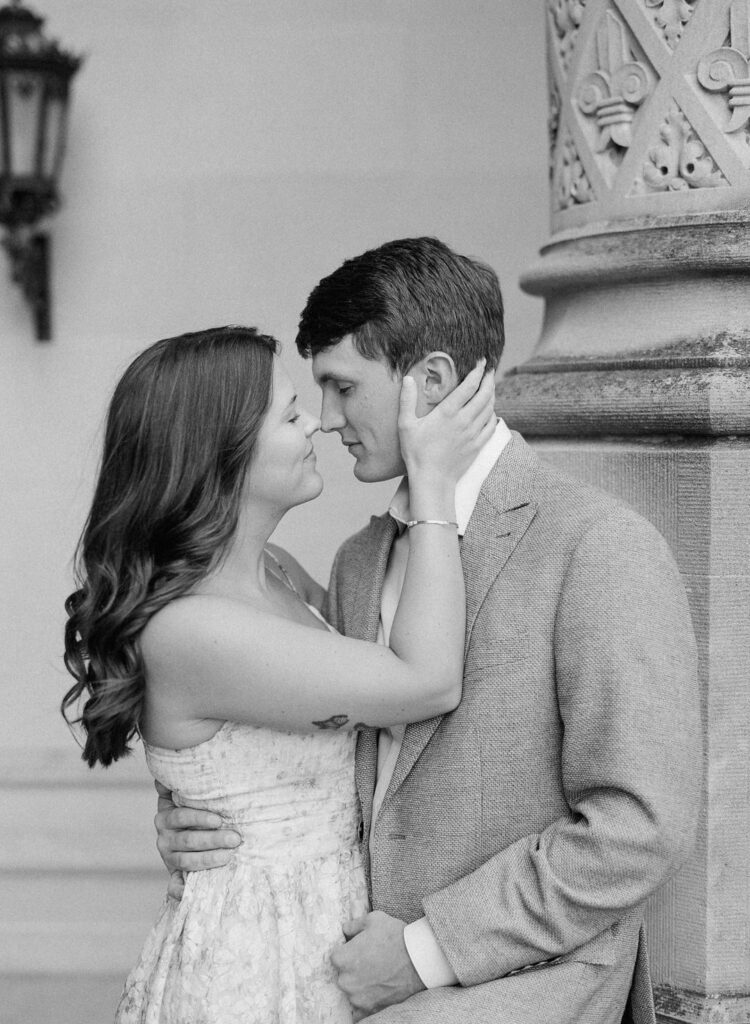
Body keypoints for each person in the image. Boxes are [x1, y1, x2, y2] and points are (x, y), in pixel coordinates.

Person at [156, 239, 702, 1024]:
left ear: (433, 382)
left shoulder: (598, 545)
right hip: (332, 962)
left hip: (522, 977)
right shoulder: (355, 561)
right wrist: (201, 810)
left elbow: (640, 827)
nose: (327, 421)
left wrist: (424, 952)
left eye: (344, 388)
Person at [61, 324, 497, 1024]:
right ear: (221, 454)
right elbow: (425, 680)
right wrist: (434, 490)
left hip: (327, 928)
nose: (318, 426)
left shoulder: (278, 571)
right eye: (291, 414)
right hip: (259, 959)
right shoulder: (194, 629)